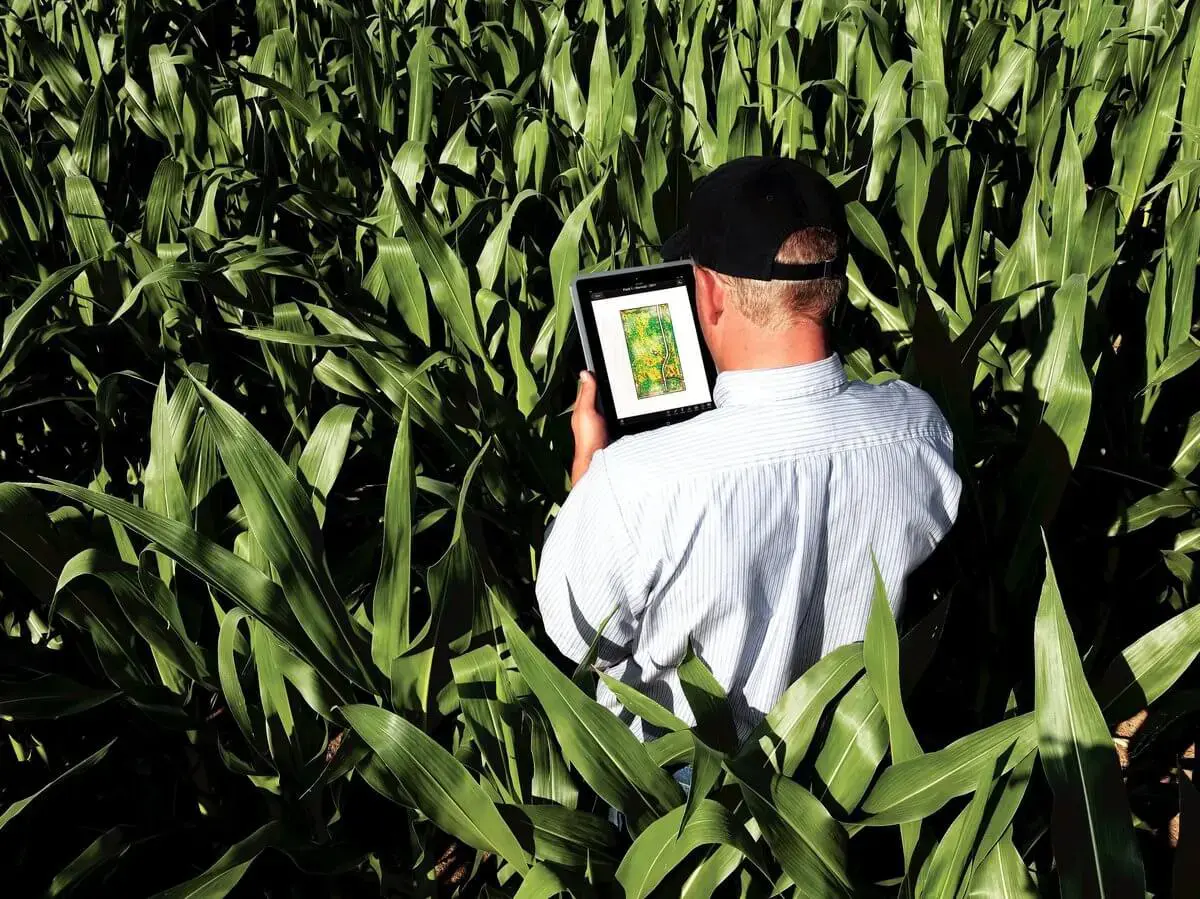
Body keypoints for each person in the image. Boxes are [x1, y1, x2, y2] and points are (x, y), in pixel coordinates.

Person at [535, 156, 962, 753]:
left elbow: (581, 639)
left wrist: (589, 481)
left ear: (706, 293)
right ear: (832, 286)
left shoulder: (632, 483)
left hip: (681, 814)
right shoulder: (919, 430)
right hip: (853, 776)